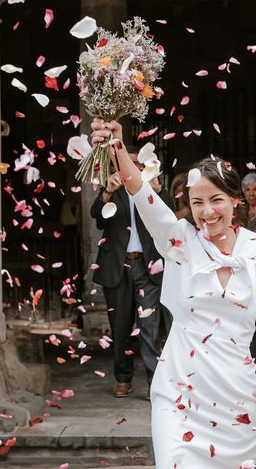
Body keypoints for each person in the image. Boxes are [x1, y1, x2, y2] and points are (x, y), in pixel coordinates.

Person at [90, 119, 256, 469]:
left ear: (235, 200)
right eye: (197, 202)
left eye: (216, 200)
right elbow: (139, 190)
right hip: (179, 395)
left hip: (237, 402)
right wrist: (116, 146)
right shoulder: (178, 239)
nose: (207, 211)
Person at [90, 146, 175, 399]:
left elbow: (169, 216)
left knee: (149, 327)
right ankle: (123, 378)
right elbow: (97, 217)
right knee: (121, 326)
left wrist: (158, 189)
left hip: (147, 267)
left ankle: (153, 383)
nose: (136, 167)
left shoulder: (150, 189)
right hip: (117, 265)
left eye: (140, 163)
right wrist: (106, 192)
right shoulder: (111, 188)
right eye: (131, 162)